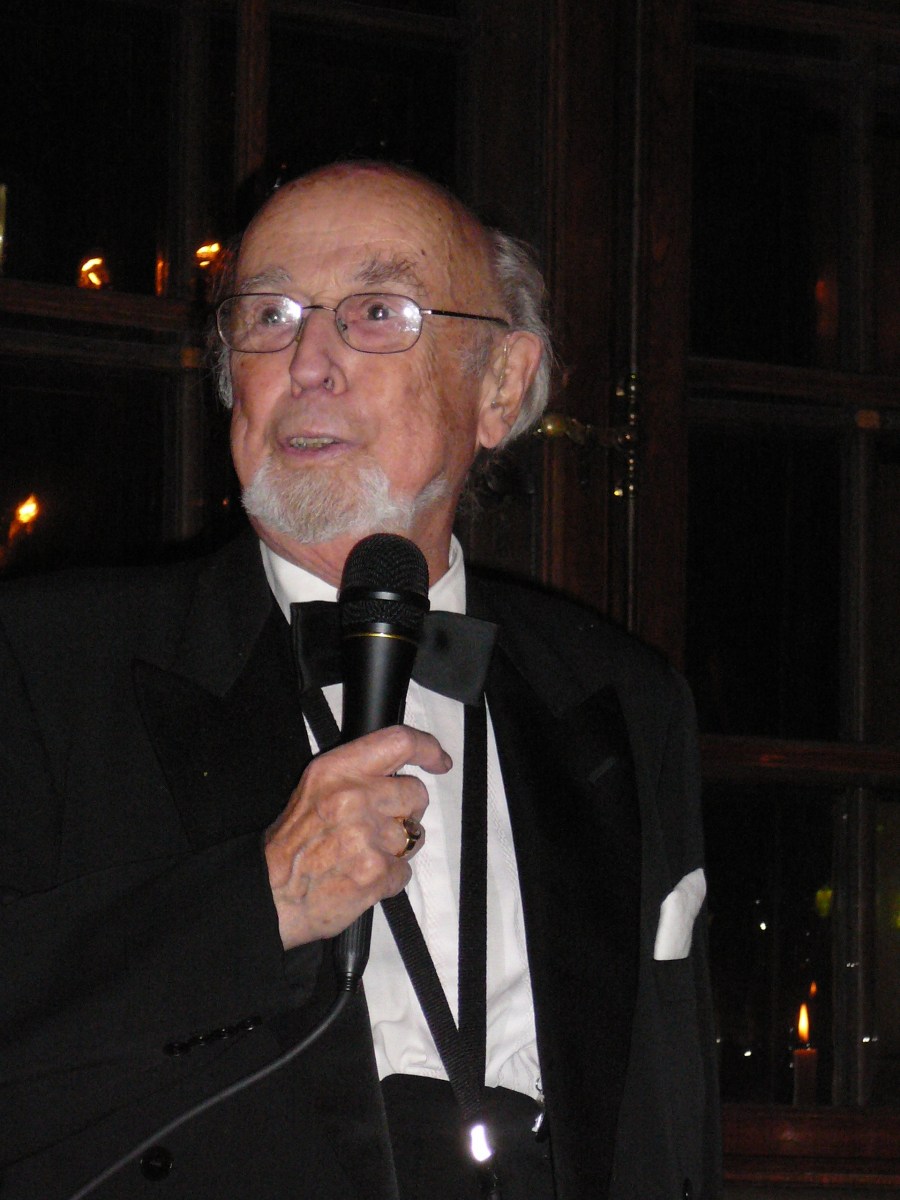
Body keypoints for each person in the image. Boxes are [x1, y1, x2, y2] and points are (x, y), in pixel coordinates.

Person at [0, 162, 720, 1200]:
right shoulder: (43, 660)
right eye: (269, 315)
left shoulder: (624, 696)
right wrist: (259, 903)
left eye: (377, 312)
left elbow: (667, 1121)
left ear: (500, 385)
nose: (309, 361)